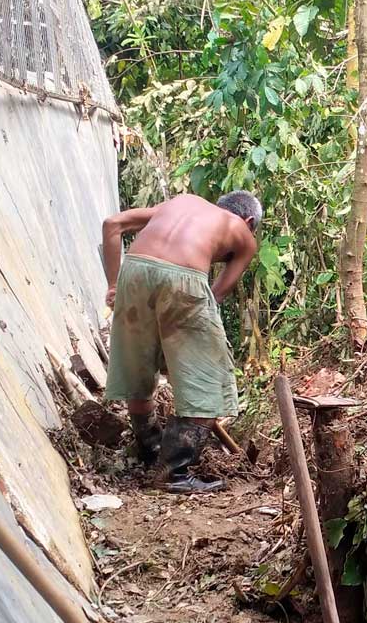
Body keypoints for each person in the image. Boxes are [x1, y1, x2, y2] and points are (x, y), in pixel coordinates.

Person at [100, 191, 262, 493]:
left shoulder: (179, 202)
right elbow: (213, 296)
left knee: (139, 369)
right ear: (249, 221)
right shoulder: (245, 235)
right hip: (184, 278)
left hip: (134, 269)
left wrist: (114, 284)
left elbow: (112, 224)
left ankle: (149, 453)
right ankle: (172, 472)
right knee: (210, 378)